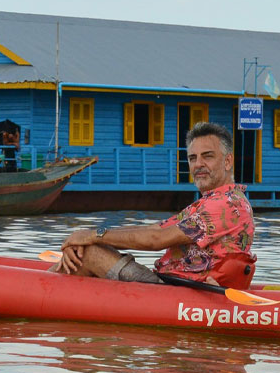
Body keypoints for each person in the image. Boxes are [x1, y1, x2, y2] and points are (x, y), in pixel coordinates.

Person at [52, 122, 256, 289]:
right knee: (87, 248)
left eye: (207, 156)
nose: (198, 164)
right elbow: (155, 229)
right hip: (175, 285)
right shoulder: (213, 201)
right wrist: (92, 236)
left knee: (87, 254)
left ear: (228, 161)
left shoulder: (225, 205)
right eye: (193, 158)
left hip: (181, 293)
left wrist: (91, 236)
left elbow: (156, 240)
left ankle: (39, 295)